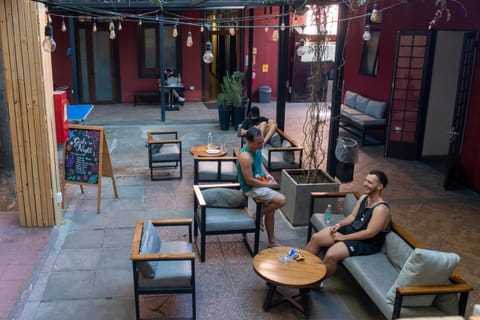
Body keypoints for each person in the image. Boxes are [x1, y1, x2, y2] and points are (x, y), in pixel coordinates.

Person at [305, 170, 390, 278]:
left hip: (366, 243)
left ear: (380, 187)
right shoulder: (365, 198)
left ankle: (315, 282)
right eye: (365, 180)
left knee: (331, 255)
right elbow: (353, 216)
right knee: (316, 238)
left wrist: (344, 237)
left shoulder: (381, 209)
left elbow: (369, 233)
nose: (365, 184)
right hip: (353, 231)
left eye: (370, 182)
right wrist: (339, 225)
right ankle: (302, 269)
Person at [237, 127, 286, 248]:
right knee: (281, 200)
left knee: (271, 211)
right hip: (251, 188)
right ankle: (257, 215)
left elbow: (260, 165)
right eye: (259, 143)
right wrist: (268, 185)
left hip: (260, 182)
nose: (262, 144)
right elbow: (249, 181)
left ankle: (272, 242)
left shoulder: (257, 149)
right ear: (249, 142)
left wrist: (268, 175)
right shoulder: (245, 156)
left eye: (262, 141)